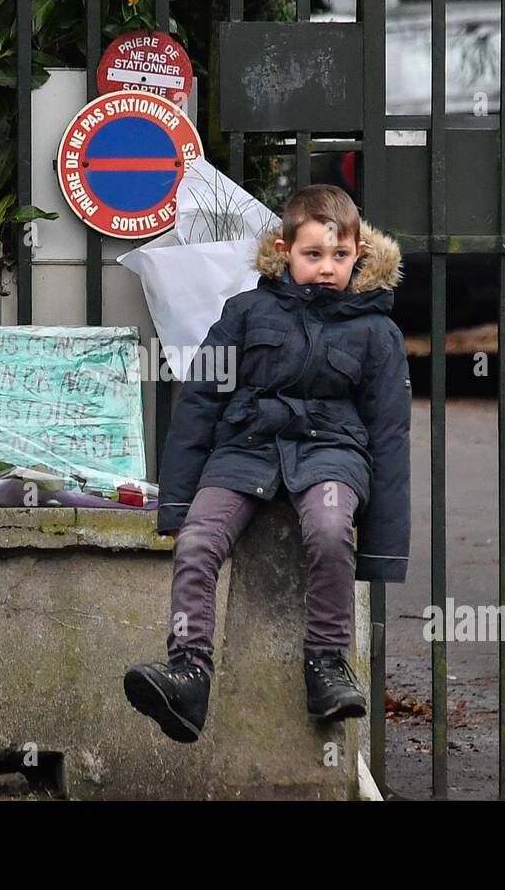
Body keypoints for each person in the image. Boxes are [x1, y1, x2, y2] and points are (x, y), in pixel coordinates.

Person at [122, 184, 411, 743]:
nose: (327, 268)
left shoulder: (379, 332)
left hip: (332, 454)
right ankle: (188, 675)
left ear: (359, 255)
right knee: (199, 542)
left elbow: (390, 436)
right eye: (312, 255)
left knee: (329, 529)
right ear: (283, 251)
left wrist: (381, 546)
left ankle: (327, 666)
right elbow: (201, 401)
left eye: (340, 256)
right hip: (245, 451)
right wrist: (178, 503)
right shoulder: (246, 312)